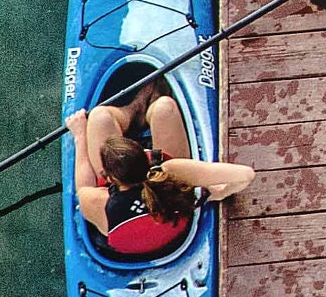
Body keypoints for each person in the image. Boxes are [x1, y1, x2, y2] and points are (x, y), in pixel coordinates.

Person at [71, 80, 254, 255]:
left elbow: (83, 186)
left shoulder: (99, 203)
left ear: (110, 179)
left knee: (99, 116)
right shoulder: (171, 173)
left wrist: (80, 136)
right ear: (146, 154)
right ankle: (140, 108)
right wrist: (218, 192)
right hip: (177, 232)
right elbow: (246, 175)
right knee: (164, 107)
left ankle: (133, 111)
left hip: (133, 250)